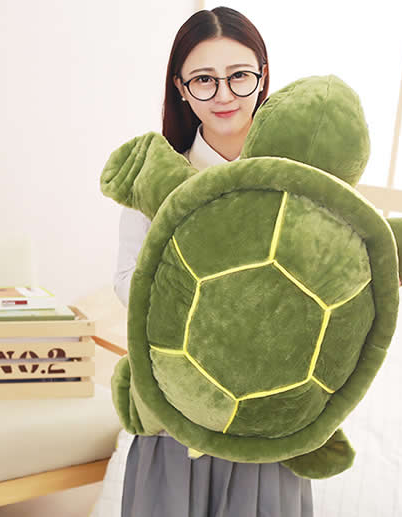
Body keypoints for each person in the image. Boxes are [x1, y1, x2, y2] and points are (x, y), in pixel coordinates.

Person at [92, 7, 313, 517]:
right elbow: (127, 280)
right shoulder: (155, 176)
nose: (224, 95)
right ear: (181, 88)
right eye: (204, 80)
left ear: (262, 77)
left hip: (269, 413)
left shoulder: (298, 177)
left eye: (239, 76)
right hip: (176, 407)